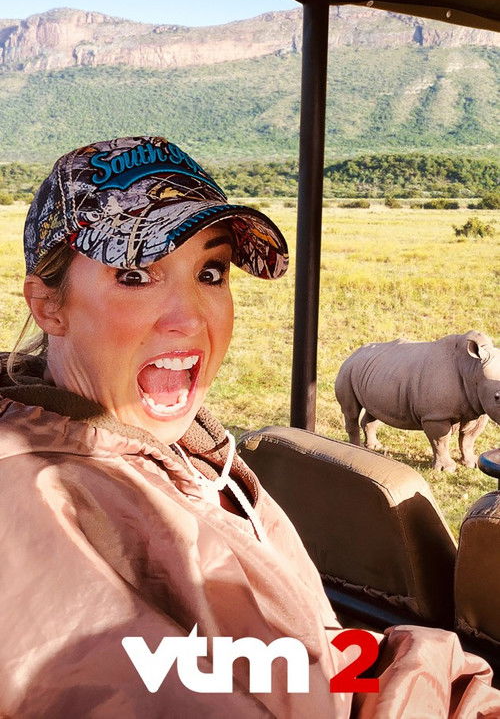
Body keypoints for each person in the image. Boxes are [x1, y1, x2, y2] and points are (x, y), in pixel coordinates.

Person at [0, 136, 498, 718]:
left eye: (210, 272)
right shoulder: (33, 506)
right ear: (48, 304)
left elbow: (309, 661)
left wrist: (458, 694)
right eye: (135, 275)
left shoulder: (192, 460)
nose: (190, 318)